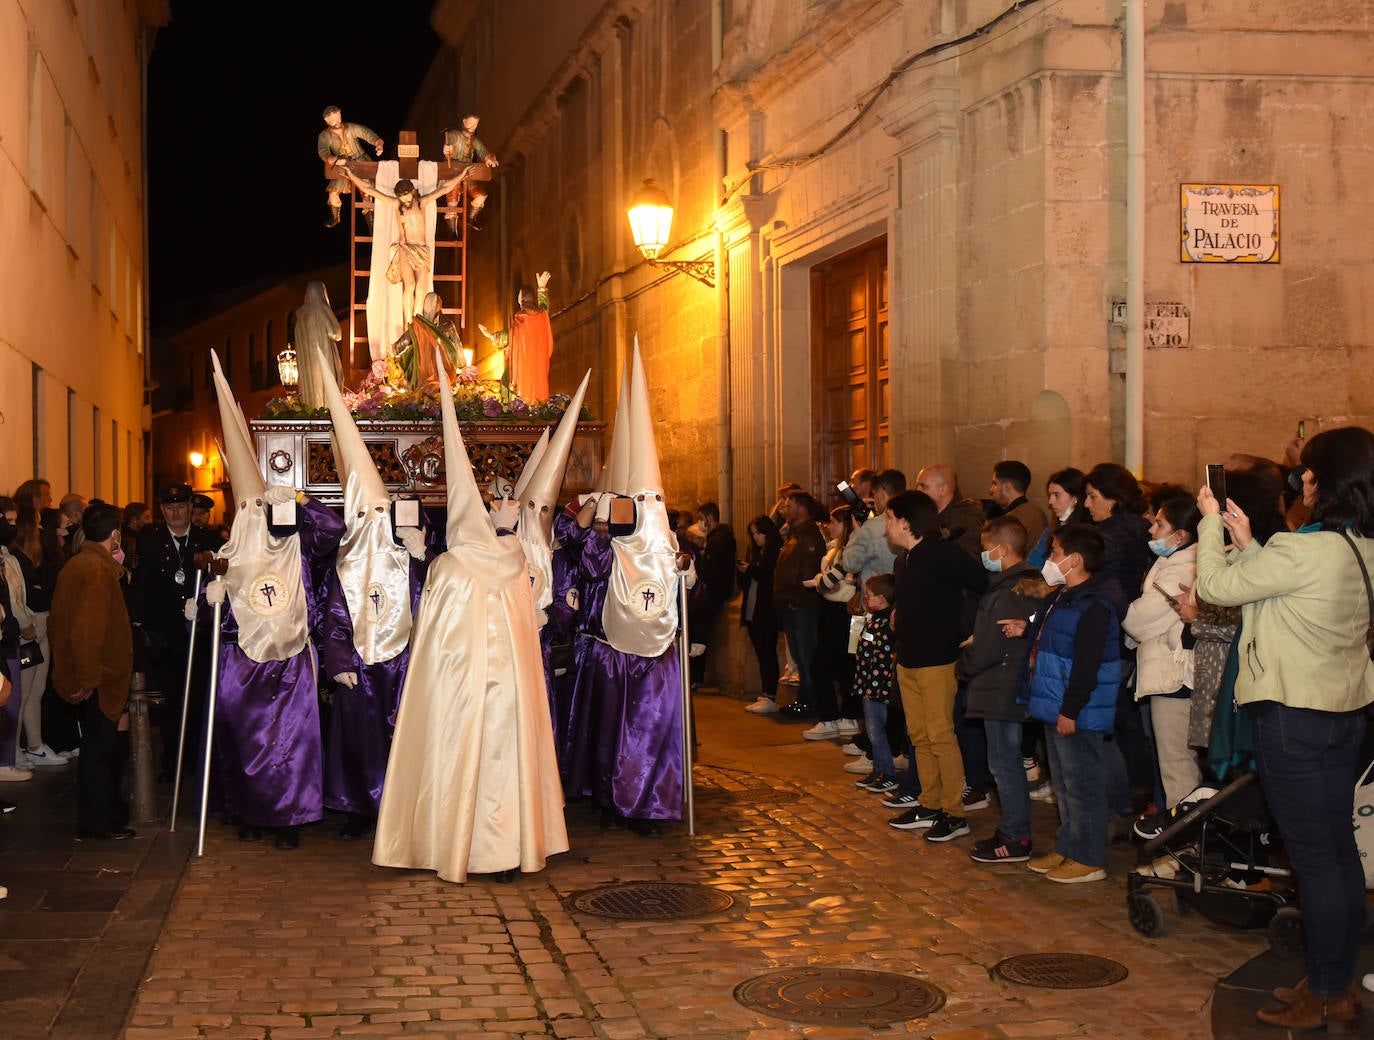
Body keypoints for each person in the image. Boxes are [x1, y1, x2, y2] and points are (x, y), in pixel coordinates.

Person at [1194, 426, 1374, 1032]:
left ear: (1323, 481)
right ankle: (1333, 980)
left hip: (1294, 719)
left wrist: (1210, 524)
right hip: (1343, 715)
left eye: (1309, 472)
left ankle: (1326, 992)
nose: (1302, 481)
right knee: (1337, 856)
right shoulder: (1357, 546)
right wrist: (1248, 544)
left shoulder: (1304, 548)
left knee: (1317, 861)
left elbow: (1214, 588)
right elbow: (1278, 597)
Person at [374, 360, 568, 881]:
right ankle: (506, 851)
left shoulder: (449, 566)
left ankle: (453, 844)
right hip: (508, 694)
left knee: (458, 760)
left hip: (461, 695)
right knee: (505, 761)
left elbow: (430, 640)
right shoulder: (514, 563)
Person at [205, 352, 346, 850]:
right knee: (246, 740)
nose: (252, 512)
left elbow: (335, 530)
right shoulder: (227, 553)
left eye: (257, 505)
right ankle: (250, 813)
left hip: (291, 660)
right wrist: (212, 594)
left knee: (293, 742)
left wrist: (303, 501)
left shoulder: (296, 543)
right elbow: (217, 615)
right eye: (245, 507)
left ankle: (289, 817)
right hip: (242, 663)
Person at [1011, 523, 1122, 883]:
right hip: (1054, 704)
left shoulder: (1094, 604)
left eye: (1055, 553)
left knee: (1082, 785)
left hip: (1076, 711)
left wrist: (1070, 709)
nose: (1049, 559)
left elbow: (1087, 664)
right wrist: (1026, 628)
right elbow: (1052, 636)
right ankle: (1068, 846)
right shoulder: (1062, 596)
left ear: (1074, 560)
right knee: (1063, 783)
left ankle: (1089, 857)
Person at [883, 489, 988, 841]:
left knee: (941, 736)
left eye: (889, 518)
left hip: (937, 661)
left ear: (905, 522)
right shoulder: (907, 558)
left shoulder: (943, 553)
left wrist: (976, 630)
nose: (886, 526)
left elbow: (983, 583)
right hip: (909, 659)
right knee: (919, 736)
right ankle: (929, 803)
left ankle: (954, 813)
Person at [49, 504, 135, 839]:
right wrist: (87, 680)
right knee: (100, 754)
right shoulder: (97, 570)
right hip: (100, 678)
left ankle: (102, 818)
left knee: (98, 751)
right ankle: (98, 824)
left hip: (93, 676)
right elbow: (87, 632)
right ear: (115, 534)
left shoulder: (79, 563)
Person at [964, 516, 1045, 864]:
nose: (984, 555)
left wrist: (964, 663)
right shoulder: (1021, 584)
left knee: (1004, 765)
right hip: (1004, 684)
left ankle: (1016, 836)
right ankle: (1012, 829)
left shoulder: (1012, 589)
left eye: (986, 549)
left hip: (1000, 685)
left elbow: (994, 643)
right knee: (1005, 763)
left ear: (1004, 549)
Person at [130, 484, 223, 783]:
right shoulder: (149, 542)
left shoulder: (208, 540)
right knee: (171, 702)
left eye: (181, 506)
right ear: (162, 510)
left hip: (202, 635)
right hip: (166, 637)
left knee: (200, 698)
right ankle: (173, 762)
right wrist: (140, 623)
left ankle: (199, 760)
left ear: (189, 507)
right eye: (169, 507)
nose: (176, 512)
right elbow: (142, 587)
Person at [1122, 488, 1201, 809]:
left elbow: (1139, 620)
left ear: (1180, 535)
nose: (1151, 530)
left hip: (1175, 676)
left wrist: (1129, 612)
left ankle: (1181, 848)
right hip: (1165, 672)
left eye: (1159, 525)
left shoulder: (1182, 567)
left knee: (1176, 766)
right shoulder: (1171, 562)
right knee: (1170, 763)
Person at [340, 165, 465, 323]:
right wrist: (351, 175)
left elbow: (444, 188)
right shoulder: (396, 205)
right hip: (405, 248)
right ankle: (409, 323)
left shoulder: (422, 203)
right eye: (402, 197)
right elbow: (370, 190)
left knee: (420, 288)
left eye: (406, 196)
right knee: (410, 285)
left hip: (421, 250)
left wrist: (461, 175)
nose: (405, 200)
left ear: (412, 192)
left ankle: (417, 319)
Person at [9, 509, 68, 767]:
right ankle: (14, 749)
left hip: (41, 622)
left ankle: (35, 745)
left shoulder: (34, 555)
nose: (41, 527)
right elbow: (24, 597)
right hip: (29, 626)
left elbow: (45, 592)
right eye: (37, 523)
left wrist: (41, 593)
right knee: (21, 692)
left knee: (37, 690)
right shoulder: (17, 556)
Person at [801, 504, 861, 741]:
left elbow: (835, 583)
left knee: (830, 665)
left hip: (844, 612)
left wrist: (820, 581)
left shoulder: (849, 551)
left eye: (834, 522)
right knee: (841, 665)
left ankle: (835, 717)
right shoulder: (838, 549)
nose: (828, 526)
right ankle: (843, 716)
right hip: (835, 611)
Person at [773, 491, 826, 720]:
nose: (784, 507)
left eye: (789, 504)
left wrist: (798, 598)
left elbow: (808, 569)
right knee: (799, 654)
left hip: (802, 606)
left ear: (802, 508)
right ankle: (804, 700)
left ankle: (810, 702)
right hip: (791, 604)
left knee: (806, 655)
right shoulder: (794, 533)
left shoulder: (809, 535)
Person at [851, 573, 899, 794]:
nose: (866, 599)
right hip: (867, 682)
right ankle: (879, 769)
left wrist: (873, 686)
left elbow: (882, 655)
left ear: (881, 598)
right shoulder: (875, 619)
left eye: (869, 595)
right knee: (872, 731)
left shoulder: (887, 623)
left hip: (878, 686)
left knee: (876, 730)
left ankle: (888, 773)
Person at [478, 273, 554, 403]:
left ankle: (516, 409)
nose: (517, 297)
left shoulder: (521, 317)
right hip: (538, 366)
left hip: (523, 365)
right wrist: (541, 288)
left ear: (522, 298)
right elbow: (544, 307)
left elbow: (511, 335)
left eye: (519, 294)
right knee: (537, 391)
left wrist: (492, 336)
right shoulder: (542, 316)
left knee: (507, 382)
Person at [689, 501, 737, 683]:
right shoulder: (716, 538)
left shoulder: (719, 539)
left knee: (700, 633)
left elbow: (712, 569)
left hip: (713, 592)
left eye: (702, 518)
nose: (700, 523)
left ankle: (696, 677)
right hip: (714, 590)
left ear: (709, 518)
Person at [738, 516, 783, 714]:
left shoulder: (774, 552)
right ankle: (766, 693)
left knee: (767, 653)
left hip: (766, 612)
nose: (756, 537)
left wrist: (751, 570)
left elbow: (768, 576)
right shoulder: (758, 552)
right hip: (753, 610)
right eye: (753, 534)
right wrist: (744, 571)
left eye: (759, 533)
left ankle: (770, 695)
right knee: (761, 653)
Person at [317, 105, 383, 227]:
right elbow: (323, 151)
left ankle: (371, 223)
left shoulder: (351, 128)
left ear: (340, 114)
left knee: (366, 191)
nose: (336, 122)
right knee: (333, 192)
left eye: (337, 118)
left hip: (360, 161)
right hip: (341, 164)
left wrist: (377, 143)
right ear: (326, 121)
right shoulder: (324, 136)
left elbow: (366, 133)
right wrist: (333, 159)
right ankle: (335, 216)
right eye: (332, 120)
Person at [842, 468, 903, 586]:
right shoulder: (911, 519)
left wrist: (857, 532)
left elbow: (849, 563)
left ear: (881, 492)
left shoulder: (872, 527)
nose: (874, 499)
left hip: (876, 597)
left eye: (874, 494)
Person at [441, 114, 500, 231]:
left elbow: (483, 152)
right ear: (464, 121)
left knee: (481, 195)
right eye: (471, 123)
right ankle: (452, 231)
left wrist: (489, 159)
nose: (473, 126)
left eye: (476, 124)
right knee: (453, 200)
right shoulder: (454, 134)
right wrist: (448, 150)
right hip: (454, 172)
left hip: (469, 172)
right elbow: (449, 147)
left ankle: (471, 217)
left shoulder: (474, 140)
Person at [293, 281, 345, 408]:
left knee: (312, 392)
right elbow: (336, 333)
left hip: (307, 367)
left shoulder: (300, 317)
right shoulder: (322, 309)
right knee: (326, 391)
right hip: (323, 360)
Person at [914, 464, 984, 558]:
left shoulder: (964, 521)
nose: (918, 491)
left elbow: (967, 565)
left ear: (942, 489)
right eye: (917, 486)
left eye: (923, 486)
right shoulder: (931, 516)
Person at [1029, 467, 1092, 568]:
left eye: (1056, 495)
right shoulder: (1050, 530)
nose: (1050, 501)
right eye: (1050, 495)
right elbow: (1033, 563)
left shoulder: (1087, 533)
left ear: (1075, 498)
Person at [989, 461, 1047, 549]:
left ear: (1007, 487)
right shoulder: (1038, 512)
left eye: (994, 484)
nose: (991, 489)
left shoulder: (1012, 520)